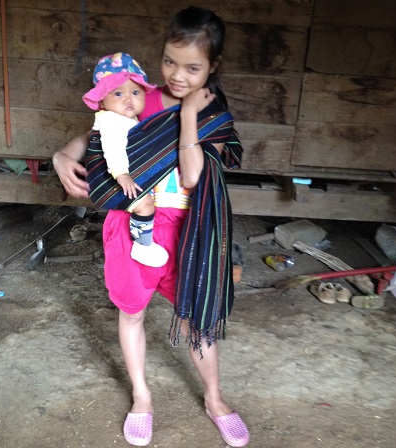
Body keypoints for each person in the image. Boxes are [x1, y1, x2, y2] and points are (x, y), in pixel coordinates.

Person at [53, 6, 250, 447]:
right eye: (169, 62)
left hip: (188, 231)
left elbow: (193, 175)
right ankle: (142, 396)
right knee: (132, 312)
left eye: (192, 68)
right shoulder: (139, 97)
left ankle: (214, 398)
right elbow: (100, 133)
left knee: (196, 315)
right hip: (132, 225)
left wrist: (187, 115)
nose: (177, 76)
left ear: (213, 66)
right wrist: (62, 154)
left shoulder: (212, 114)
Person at [82, 52, 169, 268]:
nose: (128, 99)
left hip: (117, 177)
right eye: (118, 93)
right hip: (112, 179)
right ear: (102, 100)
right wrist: (122, 174)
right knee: (145, 205)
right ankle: (142, 246)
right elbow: (113, 148)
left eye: (135, 92)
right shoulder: (112, 121)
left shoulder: (124, 119)